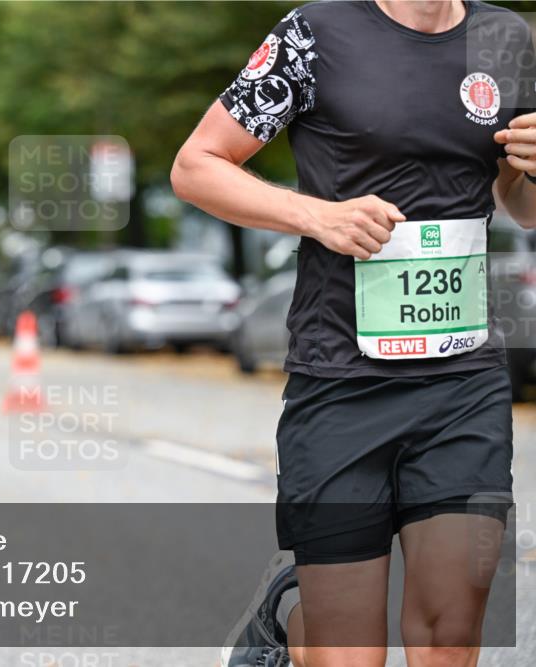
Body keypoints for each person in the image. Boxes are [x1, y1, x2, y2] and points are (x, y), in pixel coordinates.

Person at [170, 2, 536, 666]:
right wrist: (318, 216)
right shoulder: (315, 35)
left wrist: (531, 171)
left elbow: (519, 201)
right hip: (341, 381)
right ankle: (289, 631)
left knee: (449, 638)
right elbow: (196, 166)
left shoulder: (507, 38)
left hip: (463, 385)